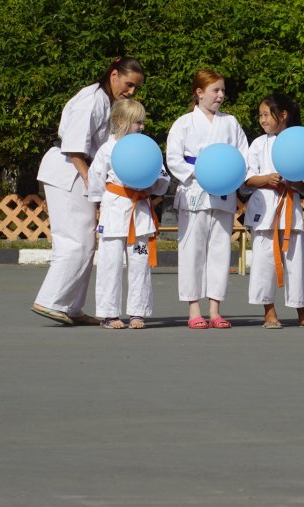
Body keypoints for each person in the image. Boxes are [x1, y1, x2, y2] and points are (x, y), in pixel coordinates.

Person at [32, 57, 144, 326]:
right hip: (69, 170)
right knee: (75, 241)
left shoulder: (107, 101)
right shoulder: (91, 99)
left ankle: (71, 307)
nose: (130, 92)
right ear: (114, 74)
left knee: (86, 241)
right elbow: (73, 147)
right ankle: (50, 300)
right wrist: (92, 184)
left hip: (80, 170)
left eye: (135, 88)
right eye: (128, 84)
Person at [165, 69, 249, 330]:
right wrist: (199, 173)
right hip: (194, 191)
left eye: (223, 90)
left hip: (223, 193)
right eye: (215, 90)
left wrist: (228, 176)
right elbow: (173, 159)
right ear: (199, 93)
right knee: (192, 251)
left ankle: (215, 309)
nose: (220, 95)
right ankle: (194, 309)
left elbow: (243, 157)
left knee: (220, 251)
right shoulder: (183, 123)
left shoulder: (231, 123)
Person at [243, 93, 304, 329]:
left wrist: (291, 181)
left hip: (290, 206)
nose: (262, 120)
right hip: (264, 207)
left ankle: (303, 312)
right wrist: (267, 179)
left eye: (266, 114)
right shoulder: (259, 144)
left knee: (295, 261)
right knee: (263, 260)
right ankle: (269, 312)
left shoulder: (302, 142)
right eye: (260, 115)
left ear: (283, 115)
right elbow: (248, 178)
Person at [88, 99, 169, 329]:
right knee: (109, 264)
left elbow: (163, 176)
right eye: (137, 122)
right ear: (122, 122)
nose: (142, 127)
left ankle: (138, 312)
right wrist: (96, 205)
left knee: (139, 264)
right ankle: (108, 314)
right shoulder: (108, 148)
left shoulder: (147, 148)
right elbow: (95, 179)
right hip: (114, 209)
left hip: (140, 212)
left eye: (143, 122)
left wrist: (153, 187)